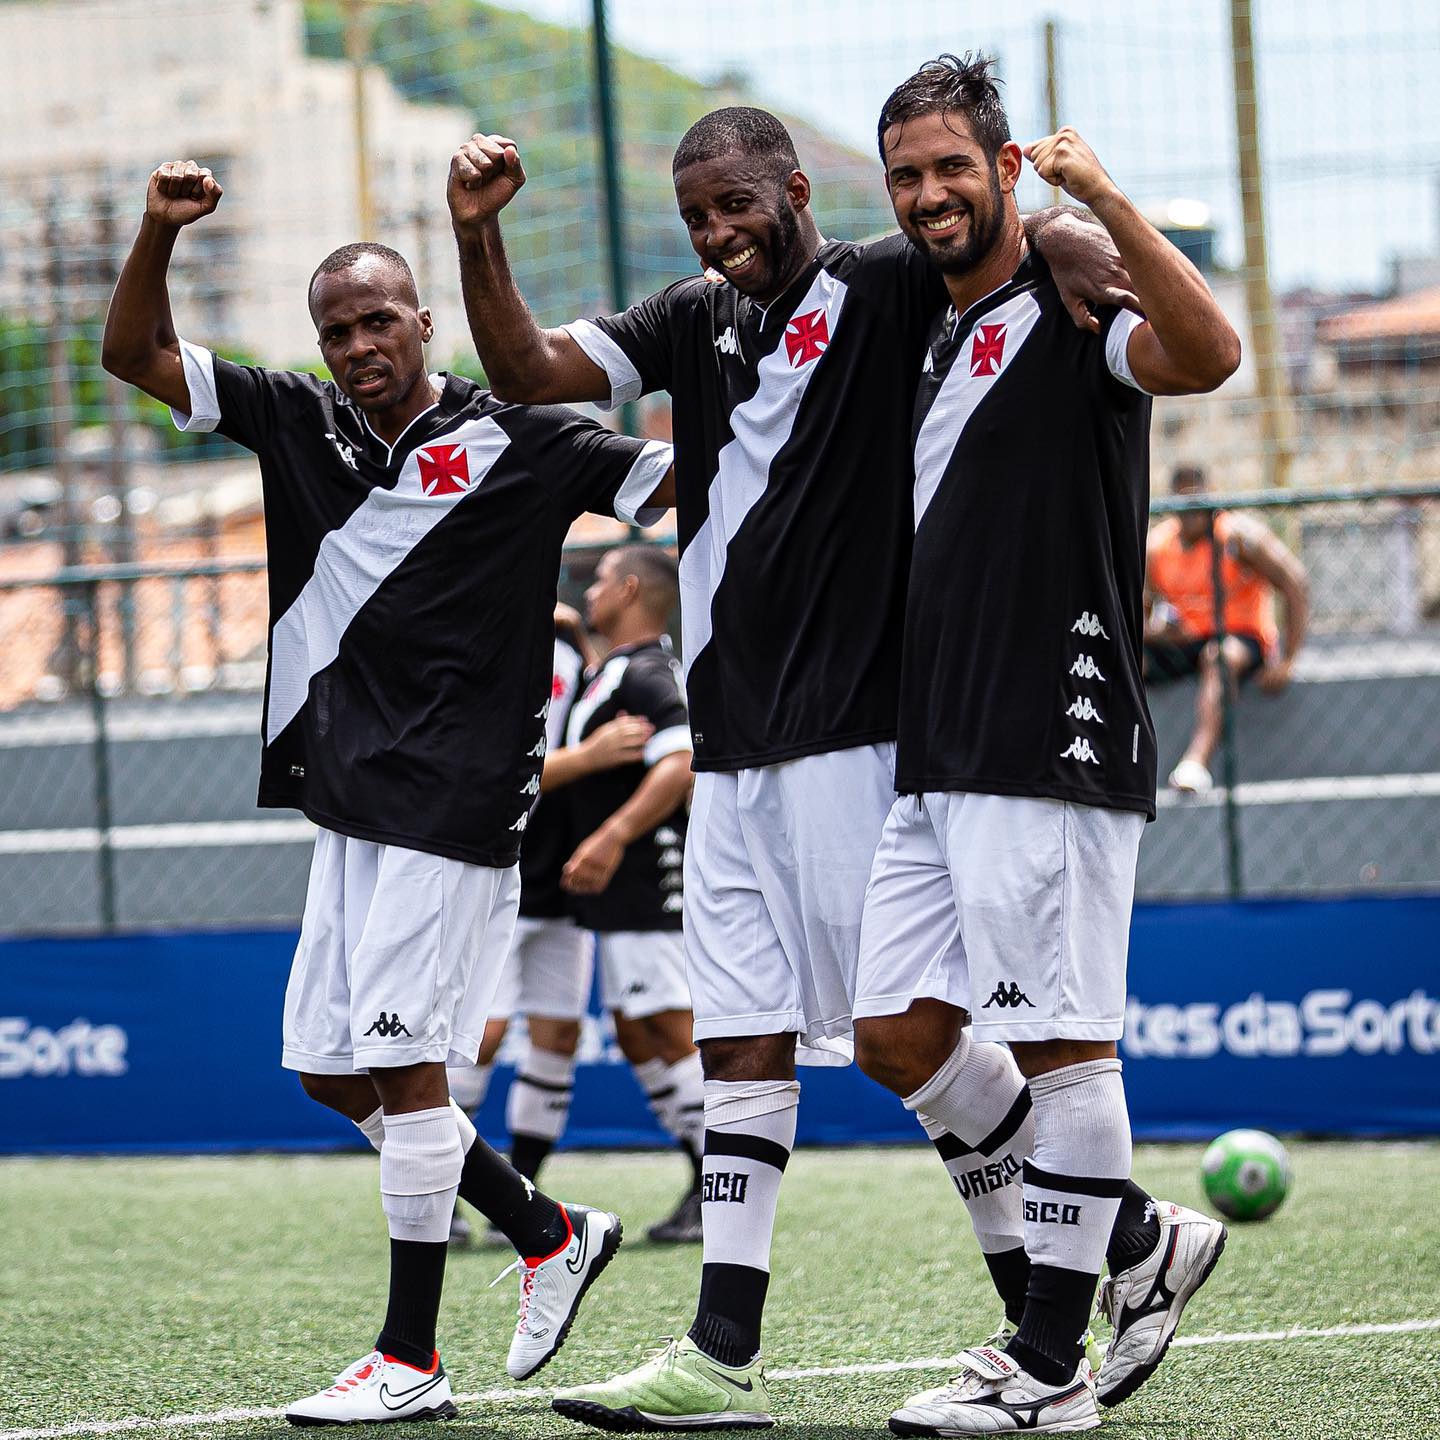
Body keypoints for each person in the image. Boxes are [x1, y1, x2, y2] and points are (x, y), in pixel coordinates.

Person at [445, 106, 1133, 1432]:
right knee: (743, 1044)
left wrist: (1071, 233)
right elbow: (529, 369)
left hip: (853, 734)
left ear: (797, 189)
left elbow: (998, 241)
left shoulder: (881, 282)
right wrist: (480, 236)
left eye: (736, 205)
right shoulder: (689, 317)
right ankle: (723, 1352)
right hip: (733, 742)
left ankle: (1105, 1266)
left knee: (908, 1045)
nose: (719, 233)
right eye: (697, 215)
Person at [101, 160, 674, 1425]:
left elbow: (675, 483)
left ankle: (409, 1360)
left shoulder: (524, 439)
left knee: (409, 1068)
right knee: (329, 1071)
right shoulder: (295, 420)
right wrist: (156, 230)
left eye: (378, 321)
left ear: (423, 321)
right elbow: (133, 355)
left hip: (458, 797)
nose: (359, 346)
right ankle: (547, 1230)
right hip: (348, 796)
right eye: (337, 331)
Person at [848, 57, 1240, 1435]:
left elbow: (1209, 356)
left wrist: (1103, 206)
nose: (929, 195)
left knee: (1065, 1050)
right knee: (896, 1035)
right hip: (940, 745)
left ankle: (1049, 1368)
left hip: (1049, 729)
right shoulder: (936, 327)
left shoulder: (1079, 302)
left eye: (954, 167)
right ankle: (1137, 1238)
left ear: (1006, 168)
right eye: (907, 175)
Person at [447, 610, 651, 1246]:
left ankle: (519, 1195)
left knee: (558, 1035)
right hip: (498, 872)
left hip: (564, 877)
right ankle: (444, 1188)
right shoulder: (499, 645)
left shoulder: (584, 657)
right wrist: (589, 757)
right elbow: (502, 767)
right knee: (482, 1035)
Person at [562, 544, 705, 1244]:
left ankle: (720, 1180)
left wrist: (613, 836)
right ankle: (707, 1173)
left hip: (652, 879)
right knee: (634, 1027)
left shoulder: (647, 671)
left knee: (668, 1027)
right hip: (619, 894)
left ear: (627, 589)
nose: (588, 593)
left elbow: (680, 763)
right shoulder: (611, 669)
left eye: (597, 582)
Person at [1145, 465, 1309, 792]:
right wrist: (1158, 633)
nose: (1191, 513)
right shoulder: (1157, 547)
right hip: (1184, 638)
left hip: (1239, 636)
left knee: (1219, 656)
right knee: (1129, 660)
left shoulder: (1239, 537)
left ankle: (1195, 762)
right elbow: (1141, 613)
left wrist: (1288, 659)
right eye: (1183, 503)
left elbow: (1294, 583)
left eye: (1197, 501)